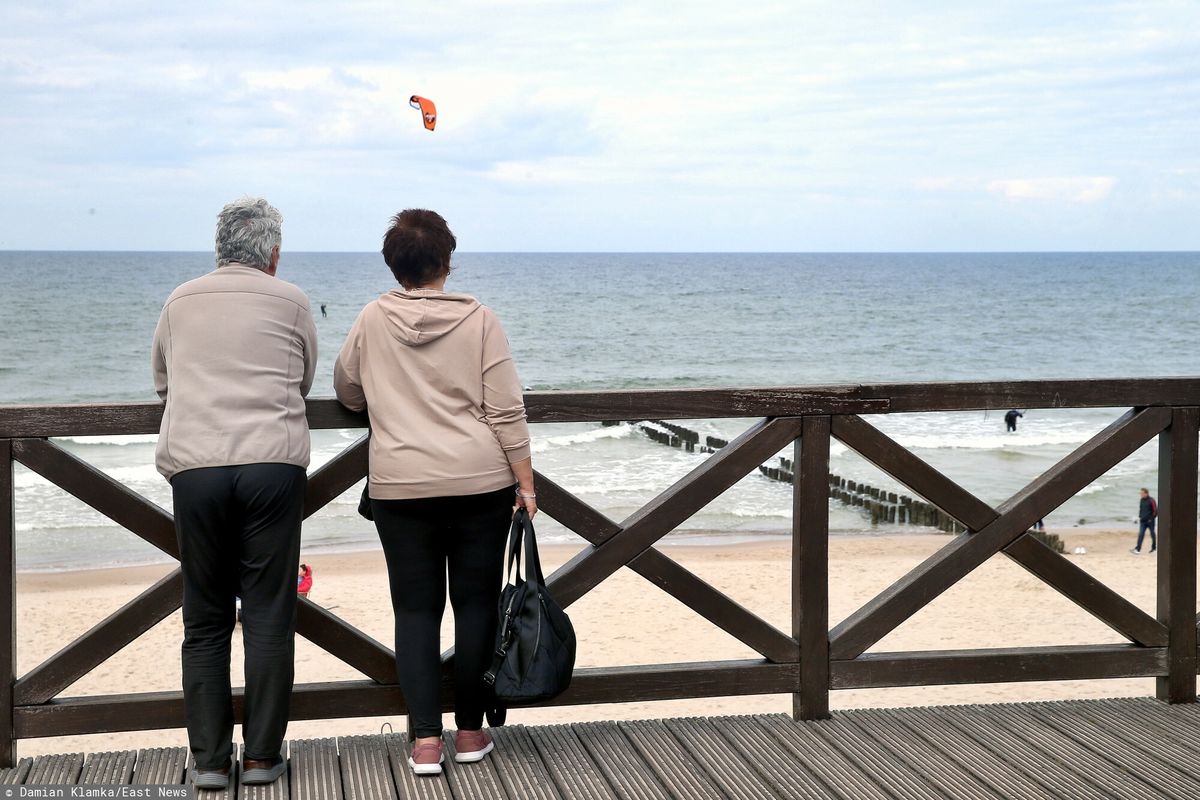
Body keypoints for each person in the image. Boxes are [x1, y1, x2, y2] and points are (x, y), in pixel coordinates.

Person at [334, 209, 534, 776]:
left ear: (394, 265)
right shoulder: (481, 321)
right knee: (476, 606)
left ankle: (426, 741)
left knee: (415, 611)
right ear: (447, 260)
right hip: (478, 482)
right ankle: (470, 733)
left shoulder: (372, 318)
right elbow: (505, 409)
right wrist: (525, 480)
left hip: (400, 486)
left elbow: (346, 390)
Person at [152, 197, 317, 790]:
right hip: (271, 465)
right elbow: (303, 378)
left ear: (219, 248)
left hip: (197, 467)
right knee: (269, 613)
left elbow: (163, 379)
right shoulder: (292, 300)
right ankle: (262, 758)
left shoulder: (179, 300)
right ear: (272, 254)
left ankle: (210, 762)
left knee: (205, 618)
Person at [1131, 487, 1158, 554]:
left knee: (1152, 534)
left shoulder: (1151, 500)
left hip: (1150, 521)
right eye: (1140, 493)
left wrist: (1151, 519)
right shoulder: (1141, 500)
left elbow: (1155, 511)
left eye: (1142, 493)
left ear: (1146, 493)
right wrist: (1139, 517)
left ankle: (1154, 549)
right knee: (1141, 534)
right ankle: (1138, 549)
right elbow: (1141, 510)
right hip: (1142, 521)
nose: (1141, 494)